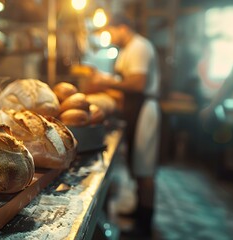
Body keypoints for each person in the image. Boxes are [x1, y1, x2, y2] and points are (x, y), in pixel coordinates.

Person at [86, 14, 161, 236]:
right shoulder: (128, 49)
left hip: (145, 110)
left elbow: (138, 84)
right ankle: (140, 212)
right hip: (135, 110)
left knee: (145, 169)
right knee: (137, 165)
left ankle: (145, 224)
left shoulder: (139, 47)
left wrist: (106, 81)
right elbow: (124, 84)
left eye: (112, 31)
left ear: (123, 28)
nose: (111, 36)